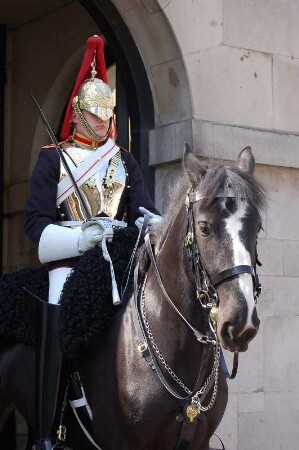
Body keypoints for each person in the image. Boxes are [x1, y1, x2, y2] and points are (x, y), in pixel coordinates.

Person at [24, 35, 161, 450]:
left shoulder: (124, 160)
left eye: (108, 115)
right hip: (70, 261)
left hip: (117, 256)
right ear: (80, 113)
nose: (103, 123)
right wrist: (82, 237)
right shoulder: (53, 158)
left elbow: (141, 208)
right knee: (59, 301)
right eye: (95, 115)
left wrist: (154, 222)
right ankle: (48, 429)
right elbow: (36, 226)